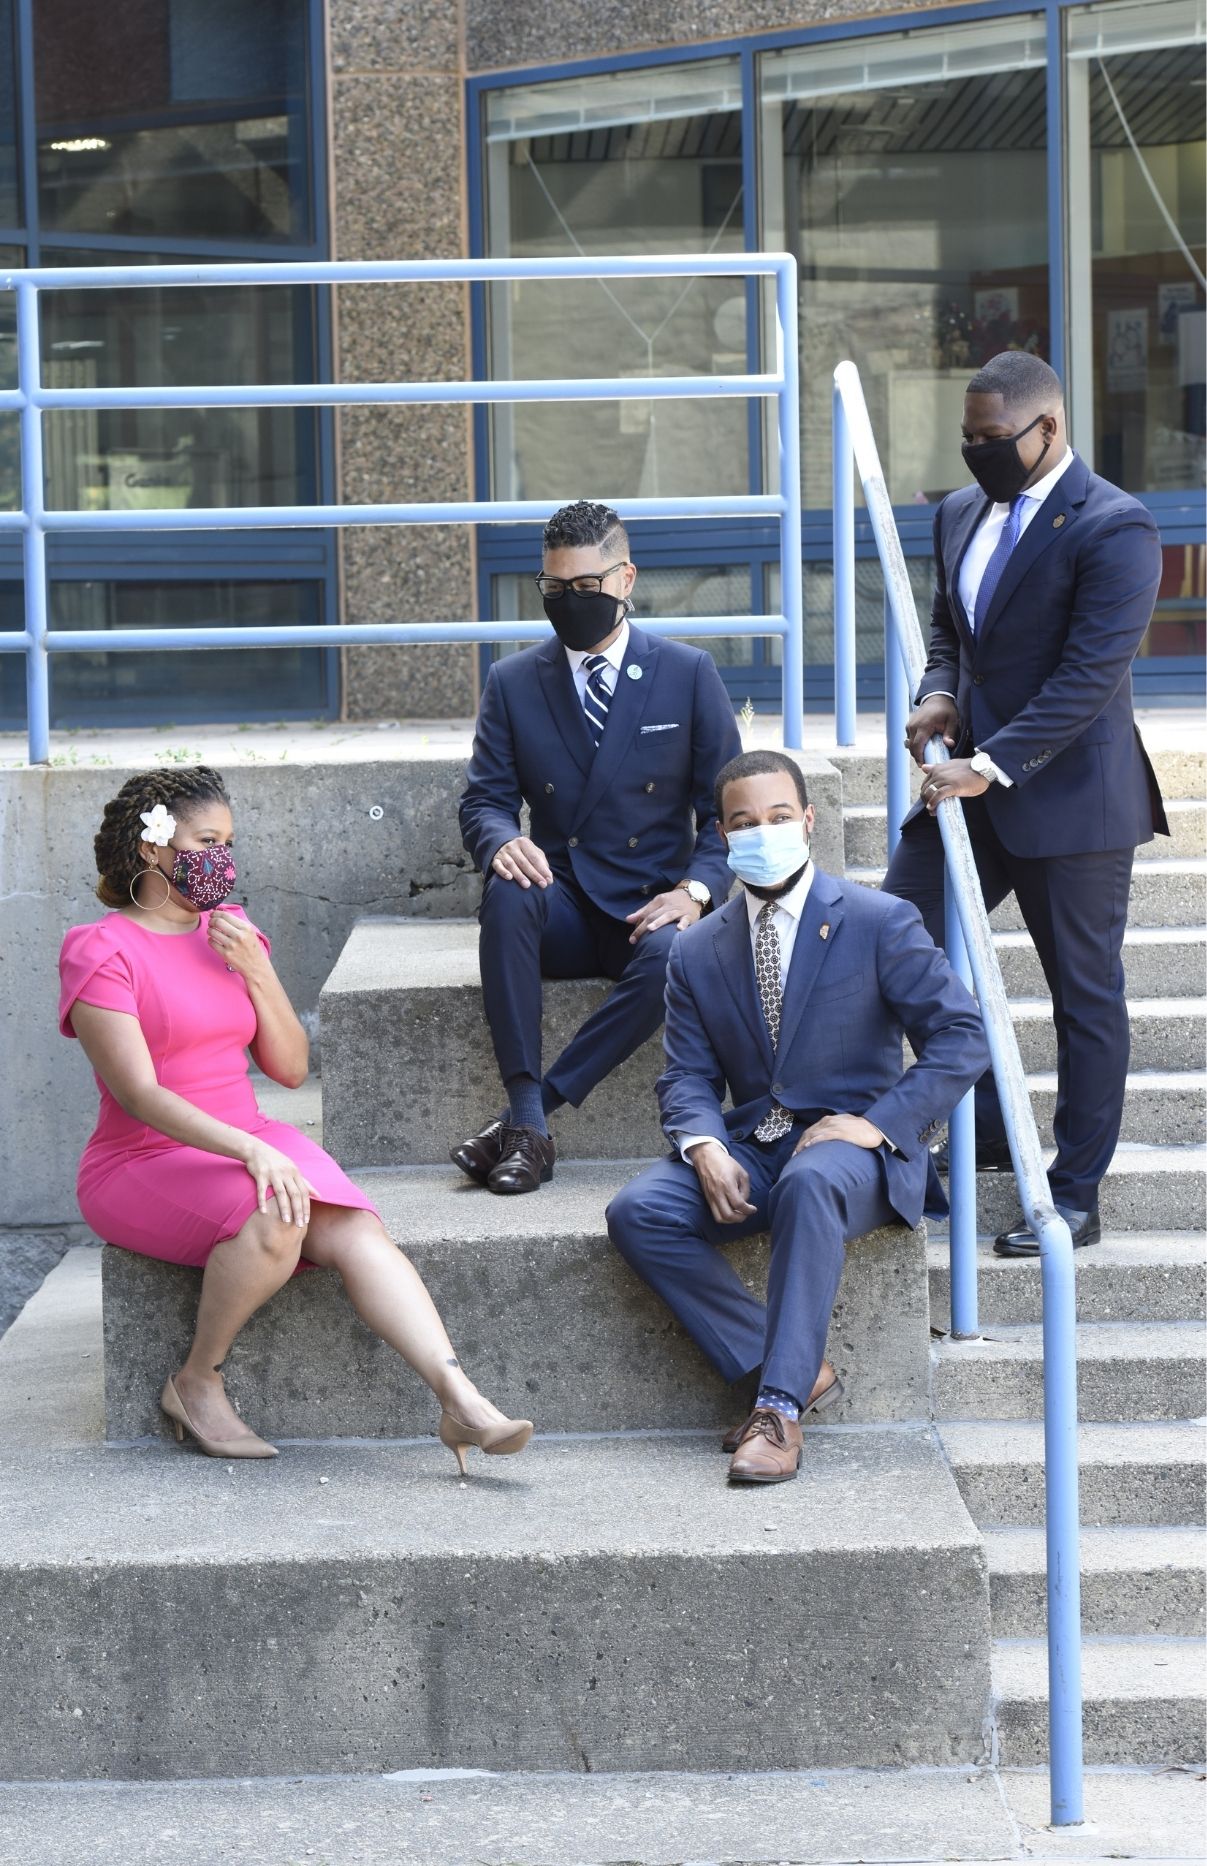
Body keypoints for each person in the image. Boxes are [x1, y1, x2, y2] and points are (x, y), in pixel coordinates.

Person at [59, 766, 533, 1473]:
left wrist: (255, 969)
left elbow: (286, 1066)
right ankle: (197, 1381)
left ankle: (459, 1400)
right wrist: (249, 1153)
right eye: (207, 840)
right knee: (280, 1213)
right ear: (153, 847)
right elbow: (139, 1093)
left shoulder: (233, 932)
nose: (223, 858)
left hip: (248, 1135)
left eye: (230, 842)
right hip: (141, 1160)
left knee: (352, 1224)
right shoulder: (101, 949)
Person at [606, 750, 988, 1485]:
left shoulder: (877, 919)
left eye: (779, 817)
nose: (763, 831)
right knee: (638, 1210)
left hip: (857, 1154)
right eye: (744, 822)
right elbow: (685, 1074)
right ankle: (791, 1366)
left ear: (808, 822)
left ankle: (776, 1410)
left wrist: (877, 1123)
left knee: (811, 1181)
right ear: (721, 835)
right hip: (756, 1144)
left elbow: (960, 1037)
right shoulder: (696, 949)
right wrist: (703, 1146)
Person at [882, 350, 1167, 1258]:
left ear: (1049, 429)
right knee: (892, 939)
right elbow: (948, 628)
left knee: (1083, 997)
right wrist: (937, 692)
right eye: (967, 437)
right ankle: (987, 1131)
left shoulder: (1115, 526)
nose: (976, 453)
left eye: (993, 438)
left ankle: (1075, 1193)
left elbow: (1089, 676)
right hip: (964, 787)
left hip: (1069, 801)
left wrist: (991, 763)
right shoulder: (959, 512)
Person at [456, 499, 742, 1195]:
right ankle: (529, 1116)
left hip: (649, 904)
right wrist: (500, 842)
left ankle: (528, 1120)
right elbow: (484, 799)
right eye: (554, 590)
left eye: (585, 587)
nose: (569, 602)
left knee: (677, 953)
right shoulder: (514, 681)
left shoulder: (686, 672)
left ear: (625, 579)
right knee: (507, 890)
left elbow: (727, 811)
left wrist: (695, 891)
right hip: (562, 904)